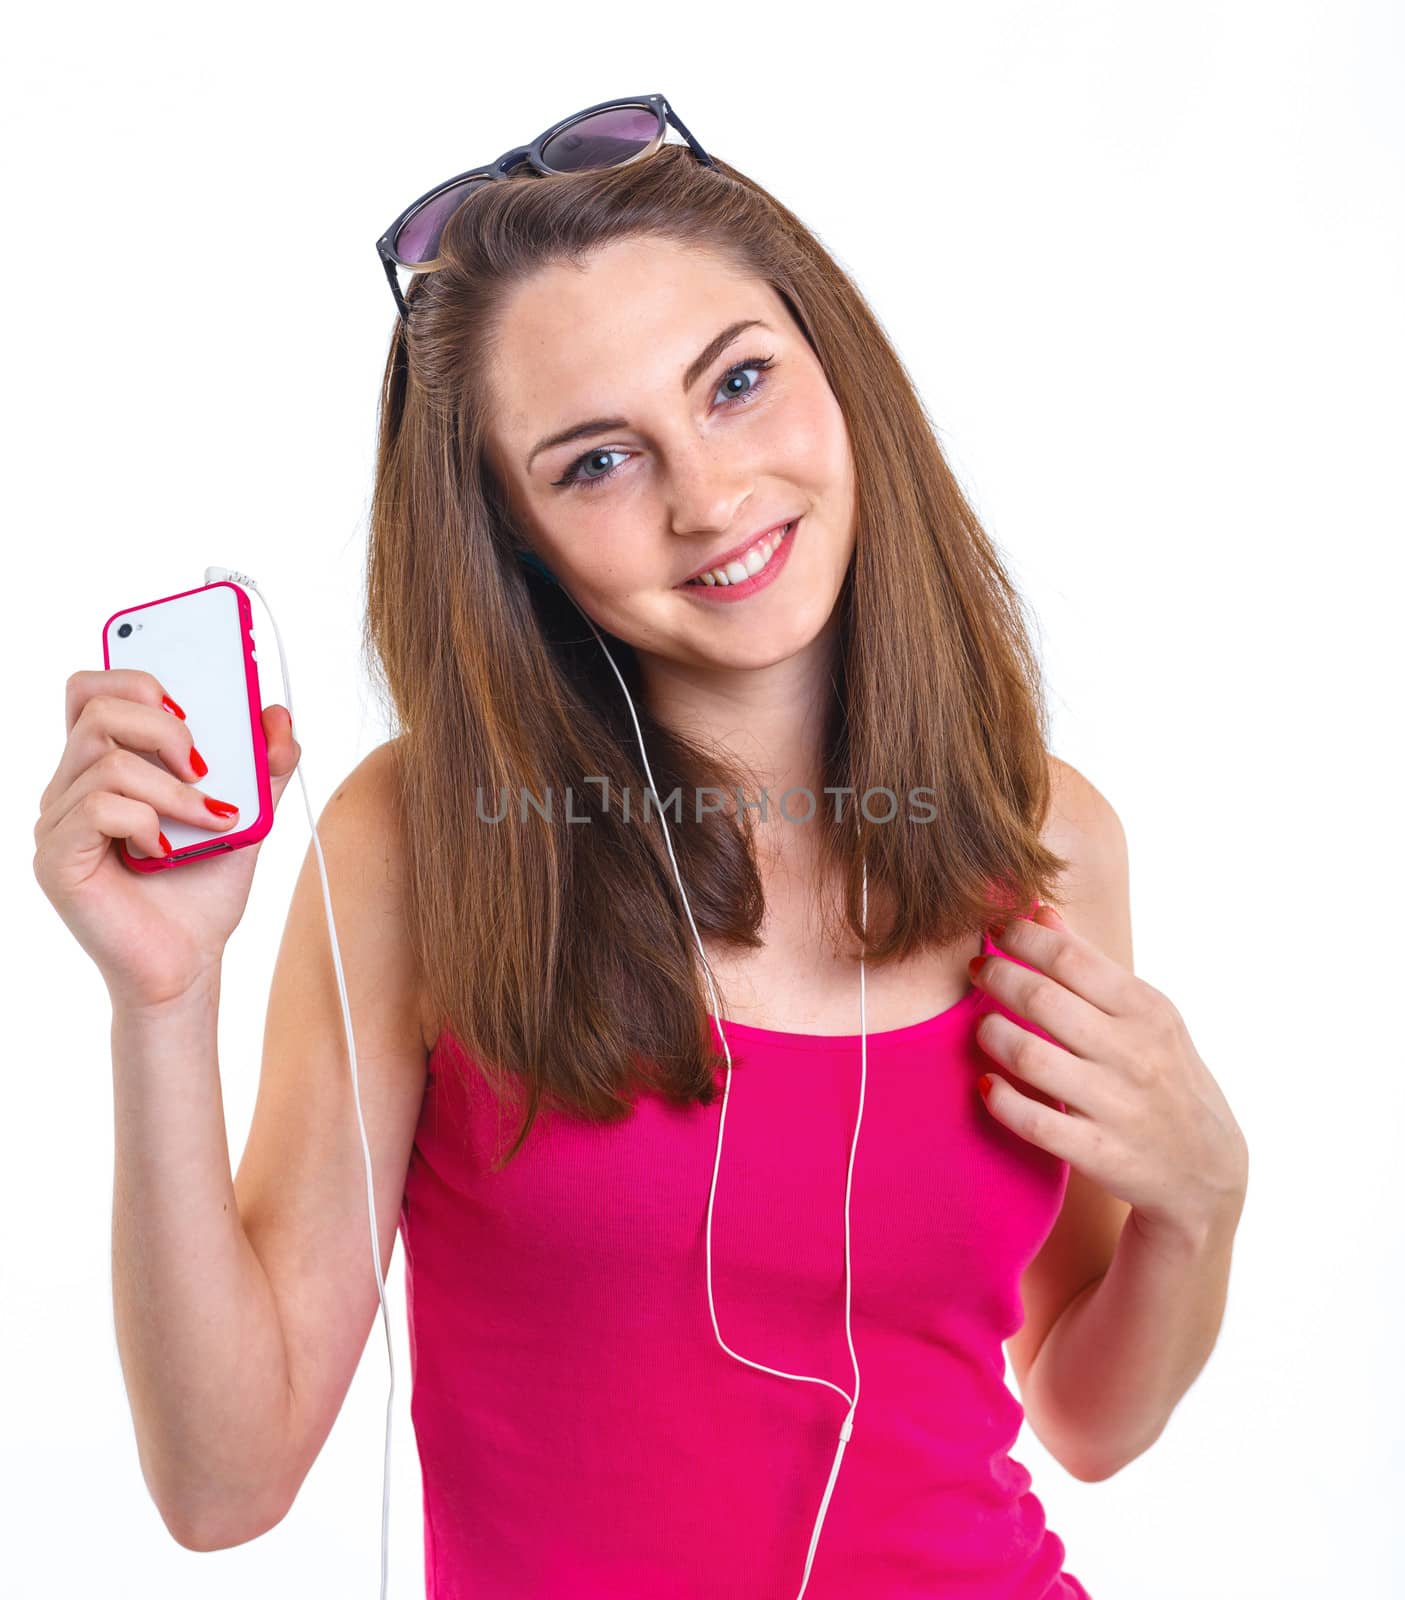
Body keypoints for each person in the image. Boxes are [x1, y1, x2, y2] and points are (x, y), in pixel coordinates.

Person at [34, 98, 1248, 1599]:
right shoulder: (425, 846)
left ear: (833, 367)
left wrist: (1201, 1202)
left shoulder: (1044, 839)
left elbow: (1087, 1414)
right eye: (595, 464)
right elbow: (223, 1488)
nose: (709, 494)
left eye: (737, 382)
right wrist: (161, 1003)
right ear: (512, 539)